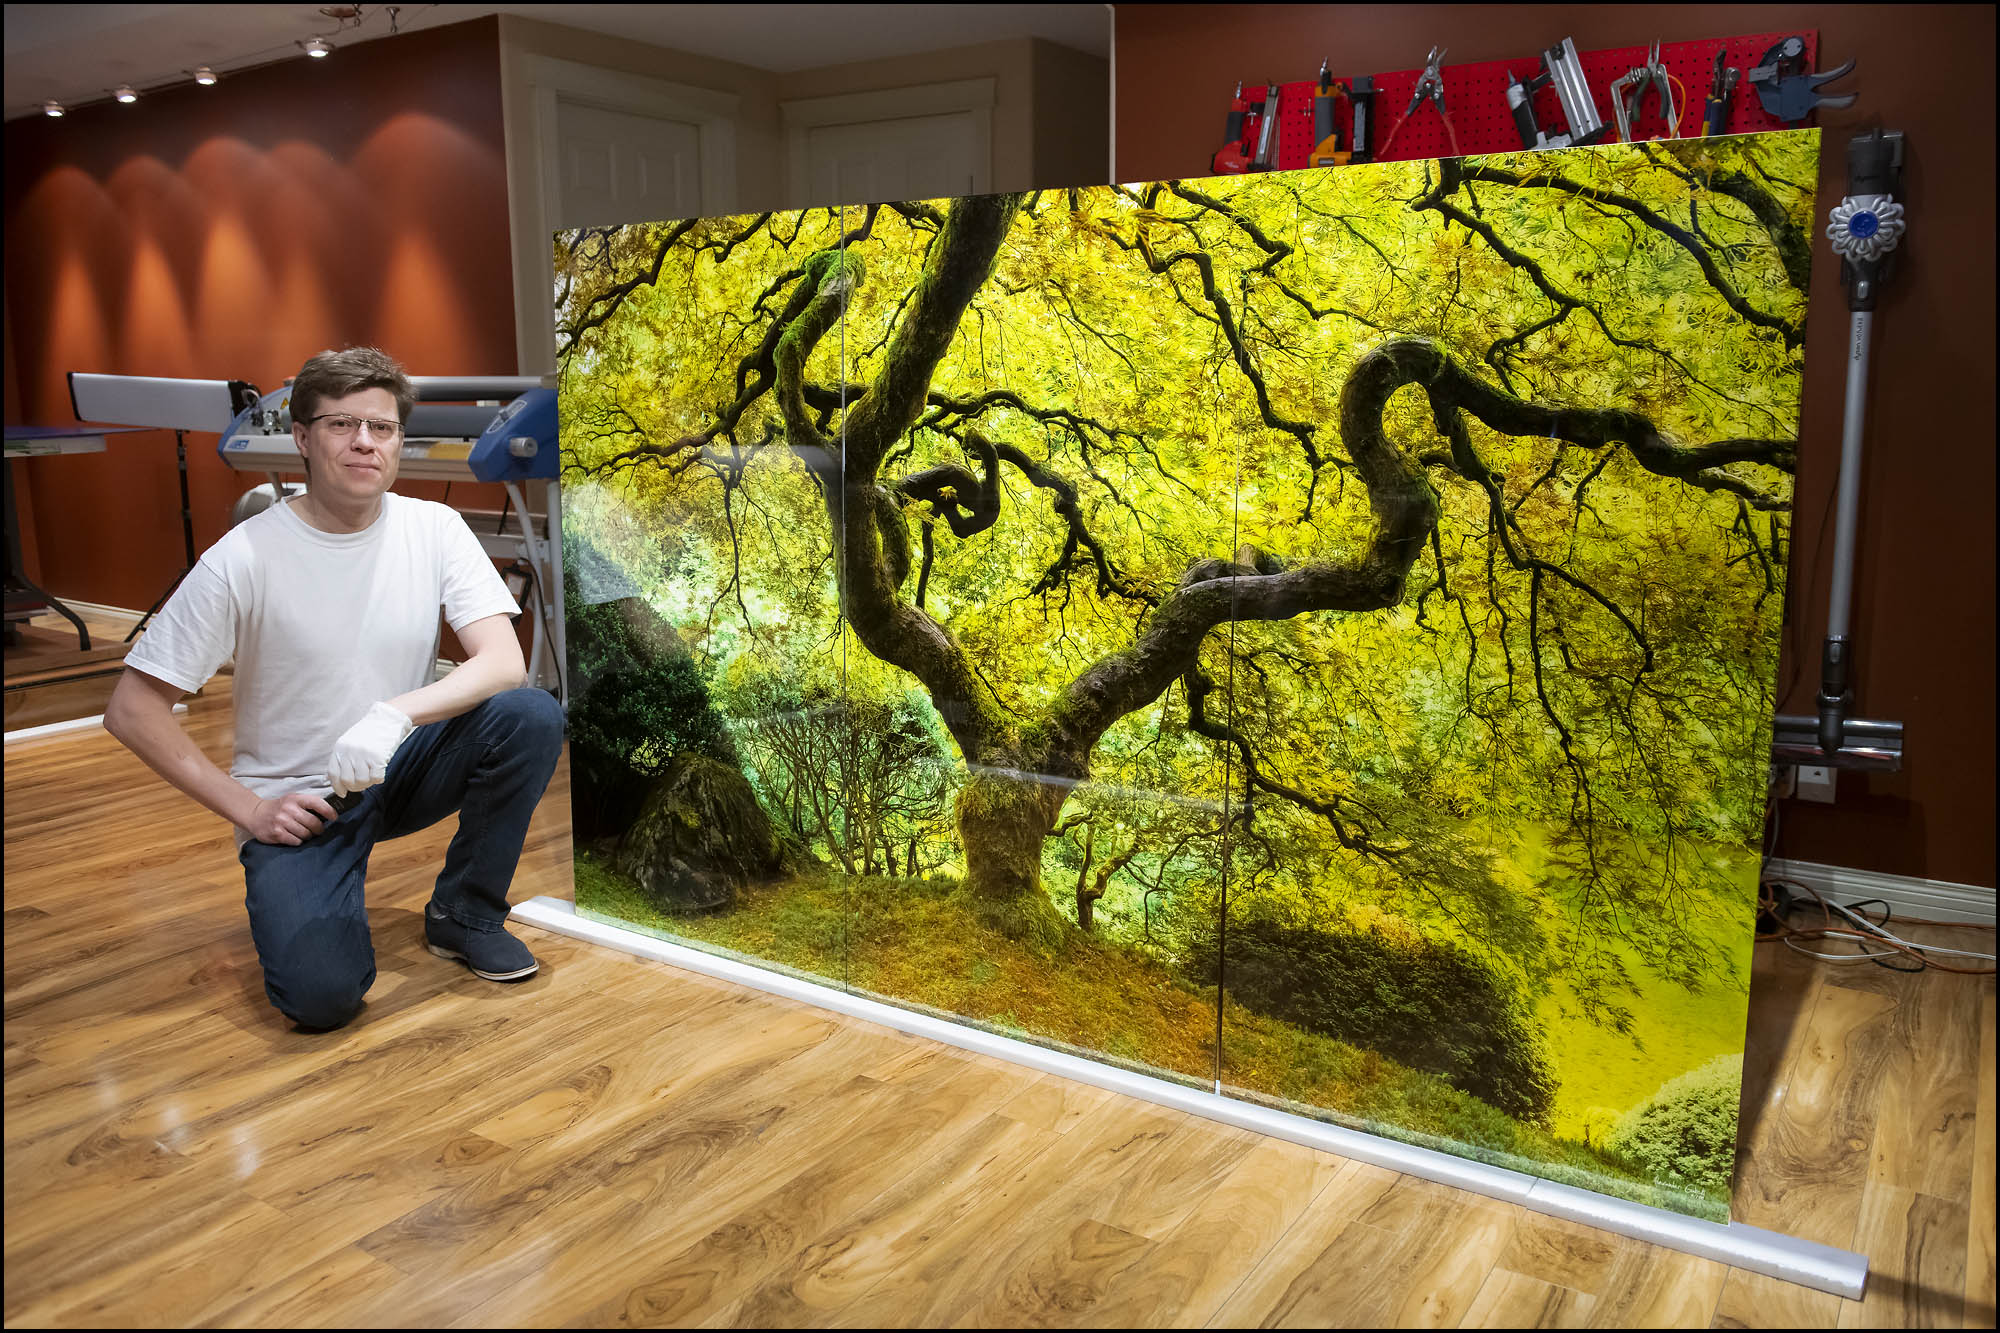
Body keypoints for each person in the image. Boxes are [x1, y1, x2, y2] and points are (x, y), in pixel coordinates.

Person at [105, 346, 565, 1032]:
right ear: (301, 437)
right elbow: (132, 710)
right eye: (341, 424)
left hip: (395, 763)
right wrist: (251, 810)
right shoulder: (244, 557)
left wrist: (392, 713)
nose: (364, 442)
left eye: (382, 428)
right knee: (322, 1000)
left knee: (528, 714)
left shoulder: (433, 527)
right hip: (300, 799)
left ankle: (464, 912)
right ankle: (311, 892)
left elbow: (502, 662)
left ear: (400, 441)